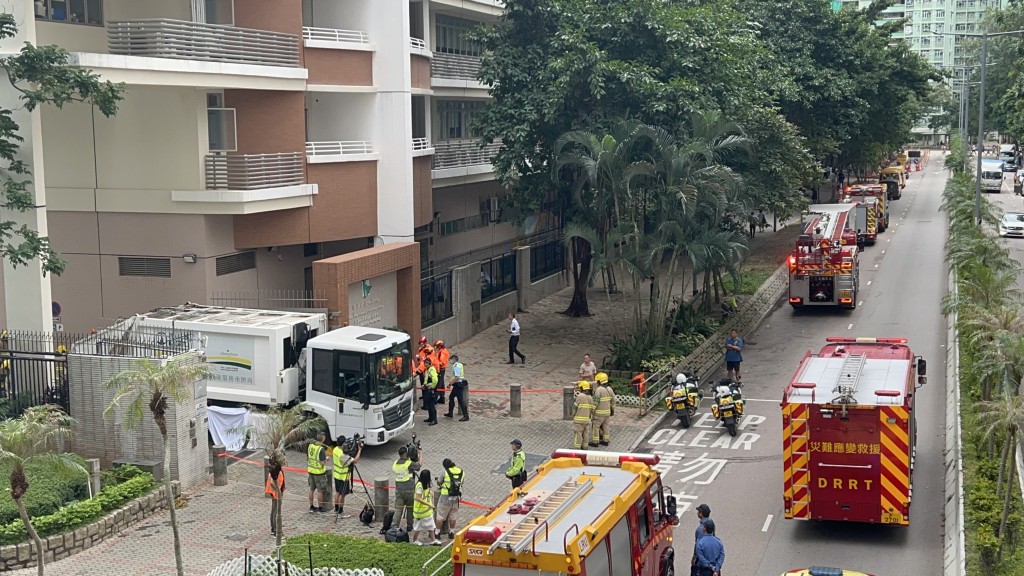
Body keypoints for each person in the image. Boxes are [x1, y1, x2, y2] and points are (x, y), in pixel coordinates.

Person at [393, 445, 422, 533]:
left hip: (398, 489)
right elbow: (419, 466)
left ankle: (394, 526)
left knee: (398, 509)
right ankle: (410, 525)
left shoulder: (395, 463)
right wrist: (420, 453)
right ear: (406, 454)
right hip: (409, 489)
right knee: (410, 508)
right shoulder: (409, 464)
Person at [332, 437, 362, 519]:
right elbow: (355, 460)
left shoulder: (335, 449)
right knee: (342, 494)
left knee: (338, 492)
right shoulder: (343, 454)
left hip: (336, 475)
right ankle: (340, 512)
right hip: (343, 476)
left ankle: (336, 510)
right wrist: (359, 450)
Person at [436, 458, 464, 540]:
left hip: (445, 496)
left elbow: (439, 481)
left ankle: (437, 533)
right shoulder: (461, 471)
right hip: (456, 497)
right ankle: (451, 532)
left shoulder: (445, 471)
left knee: (440, 516)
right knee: (453, 515)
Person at [412, 469, 441, 546]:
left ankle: (433, 540)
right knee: (418, 527)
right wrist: (429, 505)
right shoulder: (419, 485)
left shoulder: (425, 484)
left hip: (427, 511)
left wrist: (430, 492)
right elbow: (418, 498)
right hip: (420, 511)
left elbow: (426, 491)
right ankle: (414, 540)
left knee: (431, 525)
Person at [590, 373, 615, 447]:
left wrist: (592, 410)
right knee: (606, 426)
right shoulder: (609, 389)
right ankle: (605, 441)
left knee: (596, 427)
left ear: (599, 381)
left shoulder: (598, 389)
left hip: (599, 413)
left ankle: (595, 442)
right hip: (607, 413)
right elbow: (614, 400)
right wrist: (612, 409)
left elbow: (595, 401)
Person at [306, 432, 329, 514]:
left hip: (311, 471)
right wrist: (326, 459)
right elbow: (322, 463)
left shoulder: (310, 446)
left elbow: (308, 457)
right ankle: (320, 507)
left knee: (311, 489)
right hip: (319, 473)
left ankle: (311, 506)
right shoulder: (321, 449)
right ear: (323, 439)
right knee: (320, 491)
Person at [444, 354, 469, 421]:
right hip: (458, 384)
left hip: (458, 385)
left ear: (454, 359)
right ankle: (450, 413)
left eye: (451, 359)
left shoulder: (456, 366)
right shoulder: (459, 364)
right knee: (451, 397)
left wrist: (450, 384)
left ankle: (466, 416)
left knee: (460, 400)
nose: (450, 361)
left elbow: (457, 377)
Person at [572, 380, 595, 450]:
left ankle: (577, 447)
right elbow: (592, 408)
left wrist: (573, 414)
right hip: (586, 420)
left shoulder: (580, 396)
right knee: (585, 433)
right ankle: (585, 446)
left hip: (579, 420)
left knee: (578, 433)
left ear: (582, 388)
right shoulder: (590, 397)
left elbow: (575, 407)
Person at [265, 460, 286, 536]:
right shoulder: (277, 471)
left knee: (273, 511)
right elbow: (271, 482)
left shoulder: (274, 468)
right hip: (276, 494)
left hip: (273, 493)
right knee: (276, 513)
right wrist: (278, 491)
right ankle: (276, 531)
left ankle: (273, 529)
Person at [690, 503, 712, 576]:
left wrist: (694, 557)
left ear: (701, 514)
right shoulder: (711, 524)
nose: (697, 513)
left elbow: (698, 545)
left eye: (698, 511)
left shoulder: (701, 529)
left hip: (701, 558)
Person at [423, 356, 439, 425]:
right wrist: (424, 385)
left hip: (431, 390)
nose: (424, 364)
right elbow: (427, 379)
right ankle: (430, 418)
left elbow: (435, 380)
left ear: (428, 363)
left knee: (432, 405)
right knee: (429, 404)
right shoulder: (428, 369)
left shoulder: (432, 369)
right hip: (427, 389)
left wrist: (432, 386)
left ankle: (434, 420)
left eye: (425, 363)